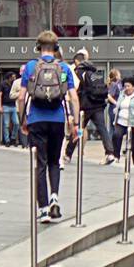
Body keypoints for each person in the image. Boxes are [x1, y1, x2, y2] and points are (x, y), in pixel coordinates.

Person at [11, 30, 78, 222]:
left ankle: (43, 209)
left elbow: (22, 96)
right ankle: (54, 196)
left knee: (40, 163)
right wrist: (76, 122)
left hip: (36, 120)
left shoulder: (31, 67)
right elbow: (73, 97)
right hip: (57, 120)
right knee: (54, 161)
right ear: (56, 48)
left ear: (38, 47)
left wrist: (23, 119)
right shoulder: (64, 68)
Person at [64, 51, 116, 165]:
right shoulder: (94, 71)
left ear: (77, 61)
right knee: (103, 129)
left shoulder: (79, 71)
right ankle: (110, 153)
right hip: (98, 104)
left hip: (85, 106)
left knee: (78, 129)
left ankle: (68, 154)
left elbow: (75, 87)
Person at [112, 74, 134, 164]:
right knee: (116, 136)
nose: (126, 88)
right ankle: (116, 157)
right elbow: (119, 105)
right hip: (121, 121)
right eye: (125, 86)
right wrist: (115, 111)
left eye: (128, 86)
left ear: (133, 86)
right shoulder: (122, 94)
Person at [0, 70, 20, 146]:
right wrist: (0, 106)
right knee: (6, 124)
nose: (14, 78)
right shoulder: (3, 84)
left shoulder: (14, 84)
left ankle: (13, 138)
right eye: (13, 77)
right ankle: (7, 140)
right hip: (5, 106)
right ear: (9, 77)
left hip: (13, 106)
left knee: (16, 123)